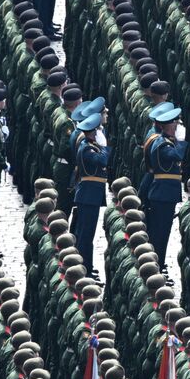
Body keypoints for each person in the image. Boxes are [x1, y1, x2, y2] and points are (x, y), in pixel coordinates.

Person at [140, 102, 187, 268]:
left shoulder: (165, 141)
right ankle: (156, 264)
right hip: (163, 194)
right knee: (160, 233)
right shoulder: (163, 145)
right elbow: (177, 156)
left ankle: (158, 262)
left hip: (164, 193)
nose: (177, 126)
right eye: (175, 123)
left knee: (162, 232)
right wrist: (181, 141)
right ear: (168, 125)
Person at [71, 112, 110, 270]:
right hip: (88, 195)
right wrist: (104, 147)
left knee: (87, 234)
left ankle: (86, 265)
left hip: (90, 195)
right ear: (93, 133)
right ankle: (84, 267)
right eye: (98, 131)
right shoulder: (88, 149)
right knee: (85, 235)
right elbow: (102, 161)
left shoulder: (89, 146)